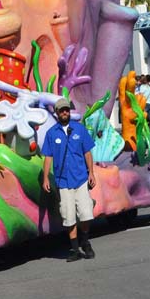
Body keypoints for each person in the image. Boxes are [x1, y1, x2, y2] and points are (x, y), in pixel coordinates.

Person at [41, 98, 97, 262]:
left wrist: (91, 173)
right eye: (61, 110)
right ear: (57, 113)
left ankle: (85, 241)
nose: (64, 112)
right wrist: (45, 178)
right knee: (68, 215)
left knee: (86, 213)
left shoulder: (79, 129)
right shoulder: (51, 133)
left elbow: (87, 152)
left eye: (66, 109)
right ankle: (74, 249)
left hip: (80, 178)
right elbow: (48, 157)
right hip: (63, 181)